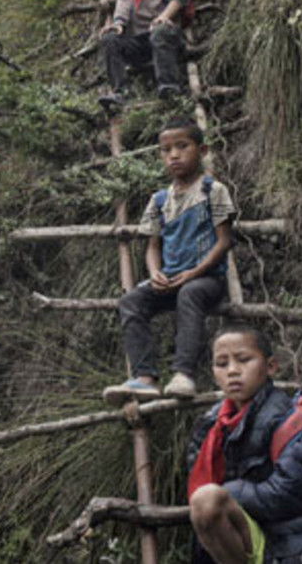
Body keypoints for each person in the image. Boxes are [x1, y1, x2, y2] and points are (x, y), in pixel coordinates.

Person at [185, 326, 302, 564]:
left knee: (208, 500)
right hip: (238, 541)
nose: (233, 371)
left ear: (271, 366)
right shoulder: (210, 425)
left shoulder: (292, 420)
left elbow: (288, 495)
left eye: (243, 360)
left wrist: (228, 493)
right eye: (222, 364)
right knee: (206, 500)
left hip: (291, 543)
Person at [103, 117, 234, 405]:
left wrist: (194, 273)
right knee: (131, 301)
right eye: (166, 150)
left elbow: (224, 241)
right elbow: (152, 245)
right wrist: (156, 273)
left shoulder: (214, 191)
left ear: (201, 151)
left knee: (190, 293)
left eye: (182, 146)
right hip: (170, 279)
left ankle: (183, 374)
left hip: (206, 280)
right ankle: (145, 378)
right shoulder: (160, 200)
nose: (173, 155)